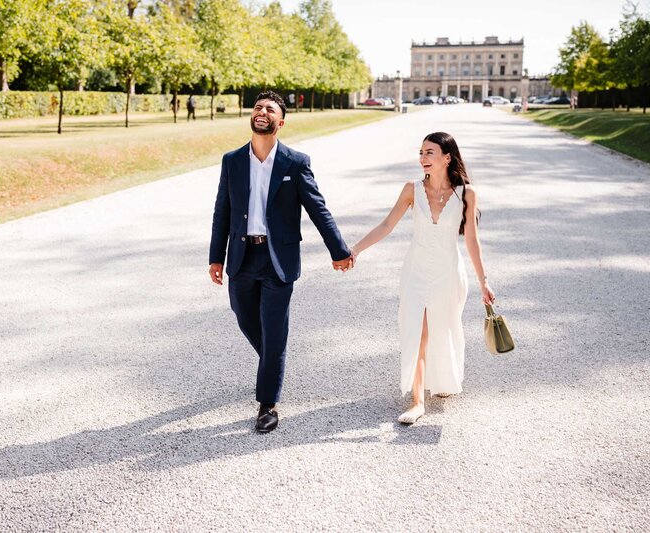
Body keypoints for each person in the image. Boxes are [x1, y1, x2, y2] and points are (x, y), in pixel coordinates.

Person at [208, 90, 354, 433]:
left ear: (280, 122)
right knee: (245, 319)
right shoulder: (232, 161)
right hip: (242, 257)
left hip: (278, 260)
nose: (261, 111)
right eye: (258, 107)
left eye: (269, 109)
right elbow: (222, 211)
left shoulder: (295, 162)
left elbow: (318, 209)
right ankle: (273, 363)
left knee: (274, 331)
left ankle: (267, 403)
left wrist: (339, 250)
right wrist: (216, 256)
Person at [350, 132, 495, 425]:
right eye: (421, 153)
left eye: (430, 153)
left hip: (448, 273)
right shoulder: (411, 189)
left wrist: (484, 282)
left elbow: (472, 242)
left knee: (444, 328)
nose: (422, 159)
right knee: (418, 331)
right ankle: (417, 402)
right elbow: (386, 225)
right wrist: (354, 250)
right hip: (415, 271)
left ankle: (441, 379)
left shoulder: (467, 193)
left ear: (447, 158)